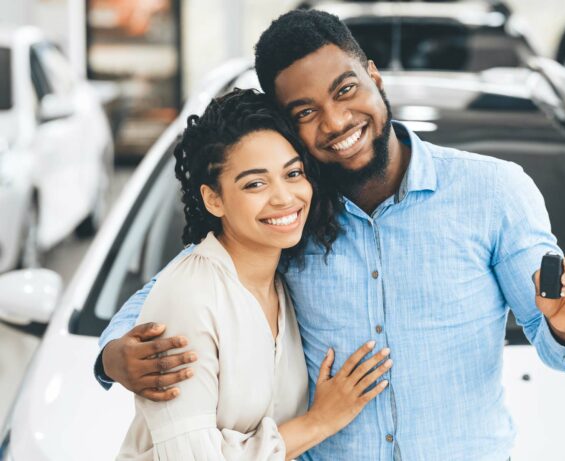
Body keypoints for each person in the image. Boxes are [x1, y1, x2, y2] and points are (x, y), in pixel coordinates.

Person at [97, 10, 565, 460]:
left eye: (345, 90)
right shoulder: (288, 216)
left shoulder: (494, 190)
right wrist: (114, 355)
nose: (336, 121)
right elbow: (176, 289)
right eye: (306, 112)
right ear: (290, 127)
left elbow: (559, 343)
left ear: (374, 78)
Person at [115, 89, 392, 460]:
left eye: (293, 173)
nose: (284, 197)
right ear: (214, 199)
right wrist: (319, 421)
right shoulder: (190, 296)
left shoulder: (284, 284)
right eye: (255, 183)